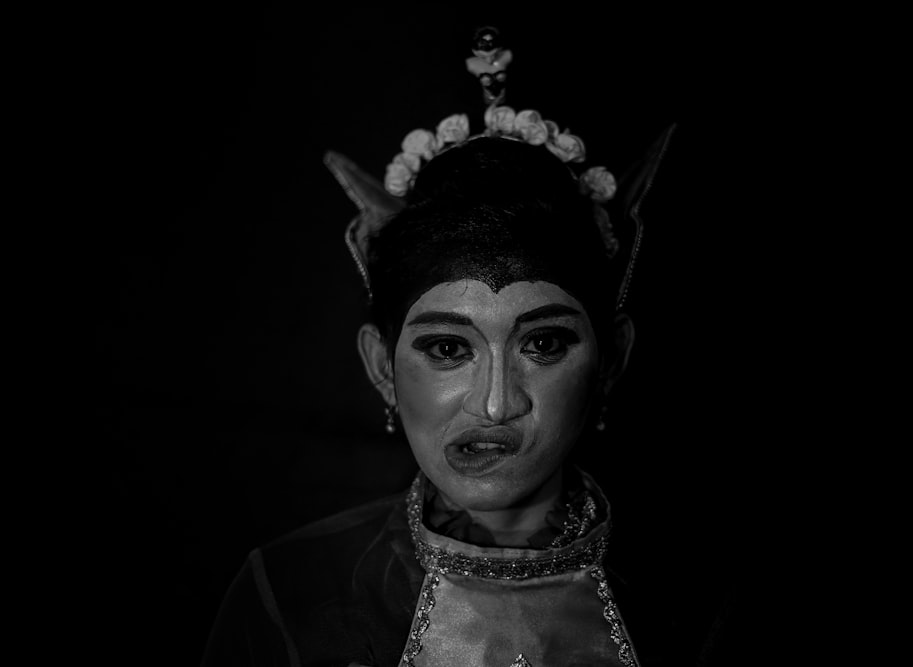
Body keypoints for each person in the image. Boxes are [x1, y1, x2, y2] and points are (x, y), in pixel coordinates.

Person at [201, 28, 736, 667]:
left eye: (542, 342)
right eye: (449, 349)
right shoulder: (292, 595)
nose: (494, 405)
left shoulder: (696, 602)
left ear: (612, 359)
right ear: (382, 368)